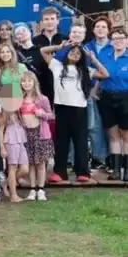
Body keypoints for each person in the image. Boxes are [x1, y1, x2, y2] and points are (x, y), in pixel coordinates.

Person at [41, 42, 108, 183]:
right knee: (61, 141)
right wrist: (59, 47)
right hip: (61, 108)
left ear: (81, 57)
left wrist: (93, 59)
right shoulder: (57, 66)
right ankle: (60, 172)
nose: (75, 54)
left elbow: (104, 74)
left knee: (81, 141)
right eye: (72, 51)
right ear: (67, 53)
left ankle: (82, 172)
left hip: (79, 109)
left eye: (78, 53)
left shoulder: (85, 70)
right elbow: (43, 51)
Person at [97, 27, 128, 180]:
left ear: (127, 40)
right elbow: (99, 76)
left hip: (125, 97)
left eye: (121, 38)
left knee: (126, 135)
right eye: (115, 38)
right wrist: (94, 91)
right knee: (113, 135)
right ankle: (115, 170)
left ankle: (127, 170)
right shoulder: (105, 55)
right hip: (107, 97)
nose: (118, 41)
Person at [19, 71, 53, 200]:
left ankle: (41, 189)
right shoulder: (19, 99)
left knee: (40, 163)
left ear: (34, 83)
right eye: (24, 81)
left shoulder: (42, 98)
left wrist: (41, 113)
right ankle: (32, 189)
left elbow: (51, 115)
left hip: (40, 134)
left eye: (29, 81)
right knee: (31, 164)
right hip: (26, 134)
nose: (26, 84)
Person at [85, 17, 112, 169]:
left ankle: (112, 157)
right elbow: (88, 71)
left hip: (110, 90)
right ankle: (98, 157)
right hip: (91, 92)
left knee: (111, 126)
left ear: (108, 30)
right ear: (93, 30)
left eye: (103, 27)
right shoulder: (87, 48)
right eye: (98, 27)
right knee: (94, 126)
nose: (100, 29)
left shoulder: (114, 46)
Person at [32, 7, 67, 103]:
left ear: (58, 21)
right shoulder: (35, 41)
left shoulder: (65, 39)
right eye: (46, 19)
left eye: (52, 19)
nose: (49, 22)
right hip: (42, 83)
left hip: (63, 83)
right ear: (42, 22)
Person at [0, 110, 28, 202]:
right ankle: (13, 195)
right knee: (12, 168)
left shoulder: (19, 112)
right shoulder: (6, 113)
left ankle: (6, 182)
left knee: (25, 169)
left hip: (20, 141)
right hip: (10, 141)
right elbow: (0, 130)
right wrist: (2, 147)